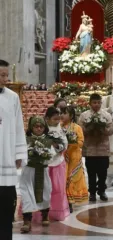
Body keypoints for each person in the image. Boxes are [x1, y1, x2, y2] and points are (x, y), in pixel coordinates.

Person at [0, 59, 28, 240]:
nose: (5, 79)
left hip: (6, 156)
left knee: (5, 206)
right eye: (2, 75)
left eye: (6, 75)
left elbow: (18, 125)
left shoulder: (12, 97)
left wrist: (19, 153)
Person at [20, 116, 56, 233]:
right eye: (36, 126)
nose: (39, 129)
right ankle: (27, 221)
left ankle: (44, 215)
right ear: (31, 127)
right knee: (26, 194)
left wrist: (44, 157)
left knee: (46, 192)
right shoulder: (25, 139)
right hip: (28, 171)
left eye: (41, 126)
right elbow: (21, 154)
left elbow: (52, 156)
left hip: (42, 171)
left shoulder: (48, 140)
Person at [78, 93, 113, 202]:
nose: (96, 105)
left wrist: (102, 129)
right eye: (94, 102)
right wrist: (90, 128)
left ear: (101, 103)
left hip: (103, 149)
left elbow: (111, 131)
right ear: (90, 103)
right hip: (90, 149)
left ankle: (102, 191)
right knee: (91, 172)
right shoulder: (84, 116)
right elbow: (80, 131)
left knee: (103, 172)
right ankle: (92, 192)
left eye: (98, 102)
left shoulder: (106, 115)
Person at [44, 107, 70, 221]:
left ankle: (56, 212)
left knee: (58, 188)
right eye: (54, 119)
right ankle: (43, 213)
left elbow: (65, 143)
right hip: (45, 163)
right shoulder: (42, 129)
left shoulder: (61, 129)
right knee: (44, 188)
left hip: (58, 163)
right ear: (47, 118)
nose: (57, 121)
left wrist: (58, 147)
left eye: (58, 119)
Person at [61, 106, 88, 213]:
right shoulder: (59, 127)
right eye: (61, 113)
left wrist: (73, 141)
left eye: (65, 113)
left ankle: (71, 201)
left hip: (74, 157)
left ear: (71, 116)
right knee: (63, 178)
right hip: (63, 156)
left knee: (72, 178)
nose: (62, 115)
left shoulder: (77, 128)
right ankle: (64, 200)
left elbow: (81, 142)